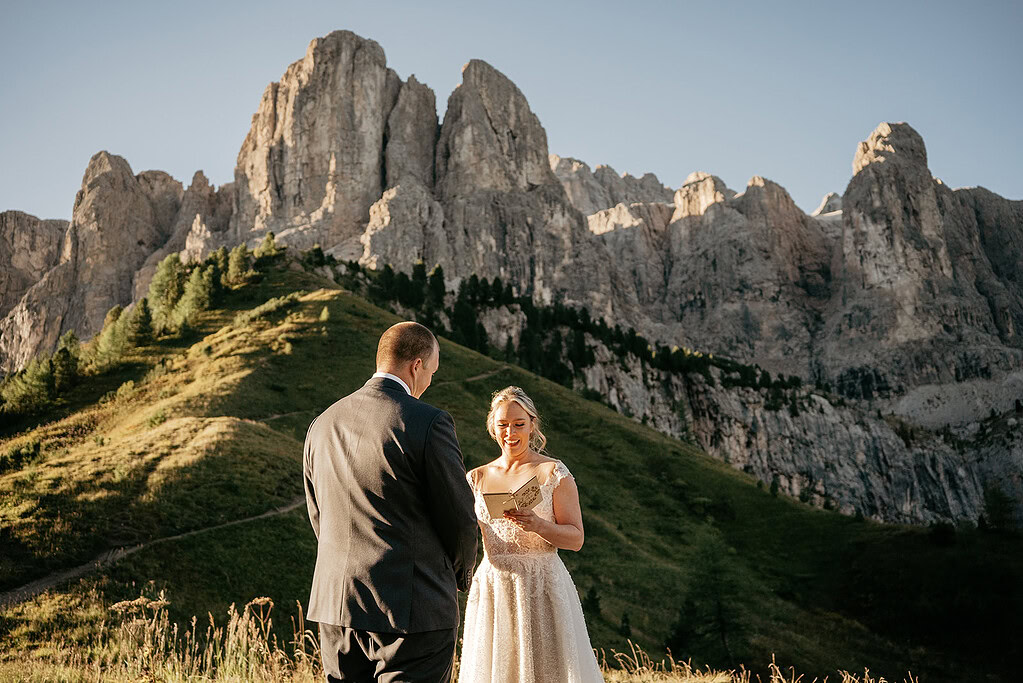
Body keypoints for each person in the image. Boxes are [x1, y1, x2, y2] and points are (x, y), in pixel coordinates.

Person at [303, 321, 478, 682]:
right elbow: (460, 517)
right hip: (413, 606)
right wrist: (461, 575)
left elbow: (318, 514)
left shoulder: (322, 424)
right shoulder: (428, 422)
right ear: (416, 365)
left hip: (338, 604)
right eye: (431, 371)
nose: (429, 380)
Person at [458, 386, 603, 683]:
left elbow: (576, 539)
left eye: (518, 424)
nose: (510, 432)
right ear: (492, 427)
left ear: (532, 425)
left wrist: (539, 525)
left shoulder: (553, 472)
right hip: (494, 585)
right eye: (503, 425)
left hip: (542, 586)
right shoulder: (476, 478)